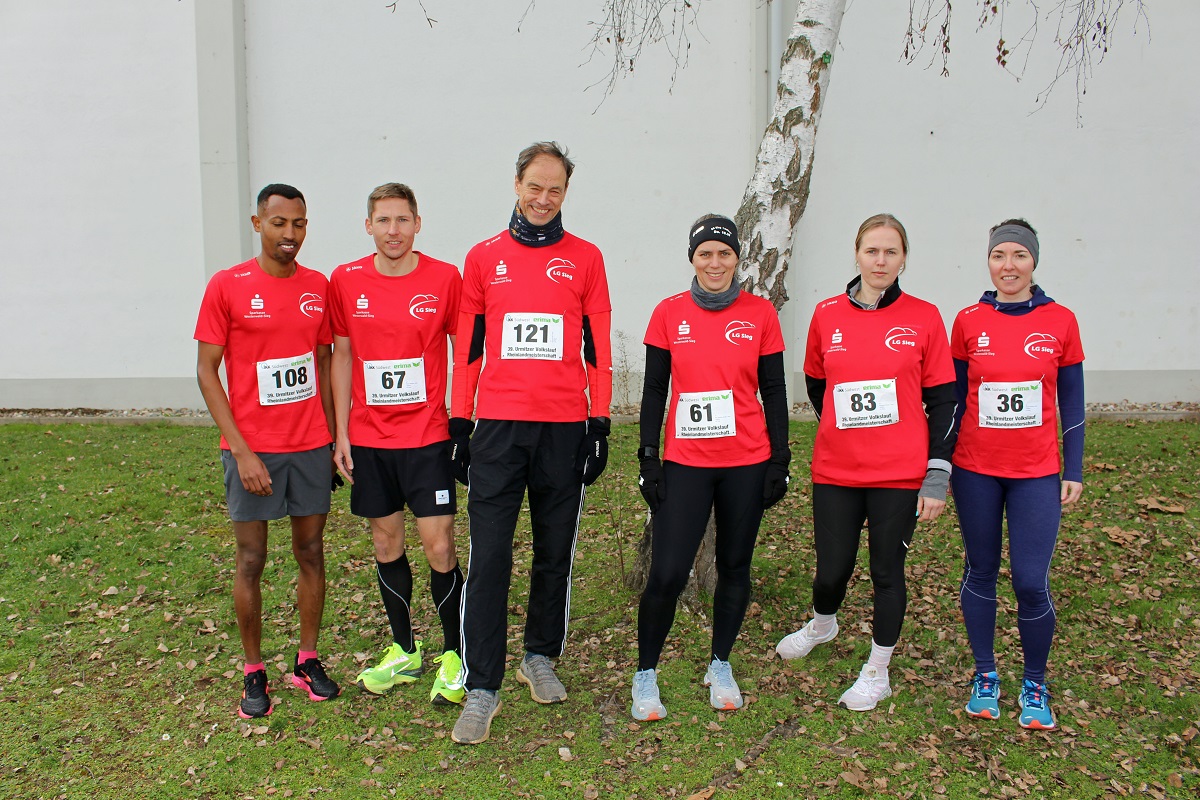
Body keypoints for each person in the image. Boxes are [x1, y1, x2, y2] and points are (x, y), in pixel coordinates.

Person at [448, 141, 612, 745]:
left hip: (564, 428)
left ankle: (539, 654)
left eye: (556, 190)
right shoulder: (483, 257)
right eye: (535, 186)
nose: (544, 199)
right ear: (516, 184)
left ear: (566, 193)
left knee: (554, 551)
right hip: (497, 427)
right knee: (490, 557)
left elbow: (596, 345)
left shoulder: (587, 258)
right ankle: (482, 683)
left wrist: (599, 422)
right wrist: (458, 422)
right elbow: (467, 346)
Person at [775, 213, 956, 712]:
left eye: (890, 252)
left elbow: (944, 399)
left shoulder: (924, 316)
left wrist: (936, 473)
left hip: (899, 473)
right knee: (831, 570)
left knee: (885, 571)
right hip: (836, 468)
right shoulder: (827, 314)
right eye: (872, 251)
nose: (880, 261)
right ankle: (823, 623)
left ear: (903, 259)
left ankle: (878, 670)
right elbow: (817, 384)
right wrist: (844, 426)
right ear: (857, 254)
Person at [630, 215, 790, 721]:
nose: (715, 263)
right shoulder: (668, 314)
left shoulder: (760, 313)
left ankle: (720, 662)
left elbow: (775, 390)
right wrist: (648, 457)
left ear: (737, 258)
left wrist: (780, 458)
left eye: (724, 254)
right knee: (669, 571)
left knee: (734, 568)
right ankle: (646, 673)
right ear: (693, 259)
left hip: (746, 461)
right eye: (705, 254)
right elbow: (655, 389)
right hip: (686, 463)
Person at [195, 184, 341, 719]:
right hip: (252, 449)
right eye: (279, 223)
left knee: (310, 552)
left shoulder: (318, 287)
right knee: (252, 558)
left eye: (299, 224)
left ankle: (307, 659)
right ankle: (253, 670)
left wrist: (328, 438)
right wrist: (242, 450)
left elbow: (324, 365)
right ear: (257, 224)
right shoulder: (227, 286)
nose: (290, 235)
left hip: (307, 445)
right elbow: (206, 371)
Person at [328, 183, 465, 706]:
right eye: (383, 221)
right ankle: (404, 649)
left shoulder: (444, 278)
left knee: (440, 547)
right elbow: (342, 355)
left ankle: (454, 654)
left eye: (402, 220)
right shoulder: (346, 280)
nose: (393, 230)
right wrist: (341, 432)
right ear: (369, 226)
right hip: (369, 440)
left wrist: (460, 421)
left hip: (427, 438)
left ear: (417, 223)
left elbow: (462, 352)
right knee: (386, 545)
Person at [950, 219, 1084, 730]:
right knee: (980, 571)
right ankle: (985, 675)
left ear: (1034, 262)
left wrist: (1073, 466)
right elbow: (954, 400)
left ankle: (1034, 681)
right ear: (988, 261)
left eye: (1019, 256)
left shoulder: (1062, 321)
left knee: (1030, 581)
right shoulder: (966, 321)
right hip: (976, 469)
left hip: (1035, 473)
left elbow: (1071, 399)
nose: (1008, 266)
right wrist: (939, 462)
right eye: (999, 255)